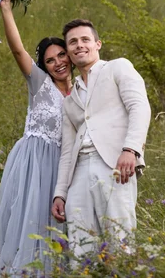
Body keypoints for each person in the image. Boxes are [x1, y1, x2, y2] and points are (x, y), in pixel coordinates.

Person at [0, 0, 73, 278]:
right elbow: (17, 51)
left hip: (63, 168)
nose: (58, 63)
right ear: (44, 65)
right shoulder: (40, 85)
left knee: (57, 230)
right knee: (30, 224)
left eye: (62, 55)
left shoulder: (81, 90)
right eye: (50, 60)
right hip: (34, 164)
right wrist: (6, 10)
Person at [51, 19, 151, 258]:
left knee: (120, 238)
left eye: (85, 39)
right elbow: (67, 150)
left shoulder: (118, 67)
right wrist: (60, 193)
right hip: (78, 175)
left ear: (97, 44)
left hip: (114, 165)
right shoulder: (69, 99)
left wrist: (131, 150)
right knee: (80, 245)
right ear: (69, 52)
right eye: (72, 42)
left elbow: (140, 106)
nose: (79, 45)